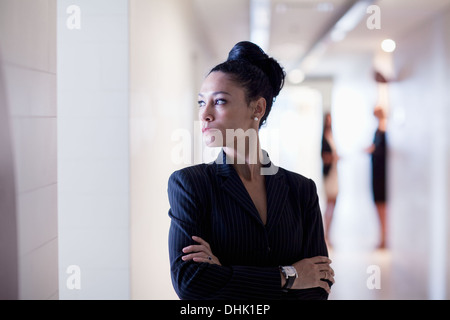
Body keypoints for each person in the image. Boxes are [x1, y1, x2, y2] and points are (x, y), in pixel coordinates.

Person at [167, 41, 334, 300]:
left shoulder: (301, 190)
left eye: (219, 101)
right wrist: (289, 276)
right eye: (202, 103)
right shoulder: (191, 185)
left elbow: (318, 284)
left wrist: (224, 273)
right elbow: (190, 283)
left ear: (257, 108)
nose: (205, 115)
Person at [366, 106, 388, 249]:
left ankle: (384, 238)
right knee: (378, 206)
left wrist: (373, 150)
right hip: (376, 172)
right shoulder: (379, 131)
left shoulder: (384, 132)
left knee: (381, 206)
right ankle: (382, 236)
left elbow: (380, 151)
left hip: (381, 174)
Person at [321, 112, 339, 245]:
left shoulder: (332, 136)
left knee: (334, 203)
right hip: (328, 174)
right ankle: (326, 233)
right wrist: (334, 158)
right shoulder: (323, 138)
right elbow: (324, 157)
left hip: (335, 173)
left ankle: (329, 232)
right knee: (329, 204)